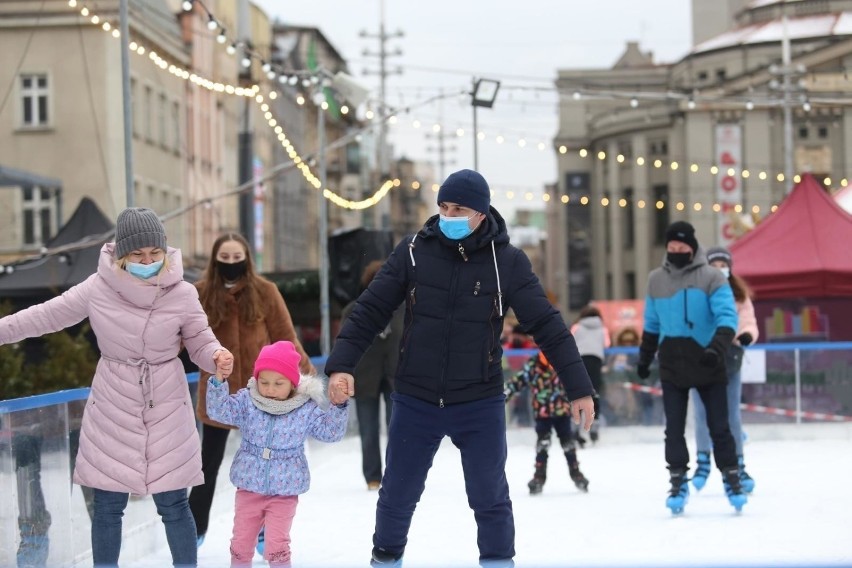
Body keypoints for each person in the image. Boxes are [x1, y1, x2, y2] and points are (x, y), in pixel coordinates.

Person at [325, 168, 595, 566]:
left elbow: (549, 328)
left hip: (478, 398)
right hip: (416, 395)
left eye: (459, 209)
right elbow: (369, 310)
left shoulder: (508, 262)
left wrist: (579, 387)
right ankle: (385, 560)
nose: (448, 215)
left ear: (481, 214)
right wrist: (342, 365)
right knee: (397, 493)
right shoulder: (414, 250)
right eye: (444, 207)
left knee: (490, 497)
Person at [0, 207, 234, 566]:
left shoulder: (183, 293)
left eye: (155, 253)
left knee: (173, 502)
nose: (148, 260)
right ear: (122, 254)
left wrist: (216, 355)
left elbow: (199, 339)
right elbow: (46, 315)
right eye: (138, 254)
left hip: (167, 402)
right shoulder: (98, 287)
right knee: (109, 504)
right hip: (113, 400)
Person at [189, 233, 315, 549]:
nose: (231, 264)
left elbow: (287, 337)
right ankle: (193, 530)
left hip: (264, 395)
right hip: (220, 395)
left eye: (237, 257)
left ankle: (262, 528)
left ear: (247, 258)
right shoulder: (199, 294)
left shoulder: (265, 292)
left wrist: (309, 382)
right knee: (208, 462)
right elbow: (182, 337)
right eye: (225, 258)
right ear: (215, 261)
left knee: (263, 463)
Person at [636, 220, 747, 515]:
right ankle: (677, 480)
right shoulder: (656, 279)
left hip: (707, 361)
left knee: (719, 427)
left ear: (693, 247)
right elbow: (651, 323)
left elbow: (727, 318)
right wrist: (645, 357)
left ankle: (732, 477)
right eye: (671, 247)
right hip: (672, 364)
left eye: (682, 247)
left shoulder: (712, 277)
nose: (676, 251)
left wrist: (716, 349)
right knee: (673, 429)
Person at [205, 340, 349, 566]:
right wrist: (218, 381)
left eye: (278, 383)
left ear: (292, 383)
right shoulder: (247, 401)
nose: (270, 389)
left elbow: (330, 432)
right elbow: (218, 411)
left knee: (277, 547)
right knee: (241, 545)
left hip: (285, 491)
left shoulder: (304, 409)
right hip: (249, 486)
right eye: (264, 382)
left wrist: (338, 406)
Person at [690, 246, 759, 493]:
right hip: (701, 359)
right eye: (715, 265)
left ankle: (738, 464)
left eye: (723, 265)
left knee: (732, 416)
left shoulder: (738, 294)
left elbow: (748, 321)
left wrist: (746, 336)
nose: (720, 269)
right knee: (700, 413)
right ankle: (702, 460)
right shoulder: (698, 292)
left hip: (729, 359)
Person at [339, 259, 402, 491]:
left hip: (396, 376)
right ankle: (373, 476)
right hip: (365, 378)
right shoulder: (354, 310)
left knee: (396, 428)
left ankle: (396, 474)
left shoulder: (405, 308)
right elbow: (345, 343)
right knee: (368, 430)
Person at [505, 350, 590, 495]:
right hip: (542, 413)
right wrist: (504, 394)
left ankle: (576, 473)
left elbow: (577, 380)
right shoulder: (533, 365)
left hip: (562, 411)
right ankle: (539, 476)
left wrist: (585, 393)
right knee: (542, 445)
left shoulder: (563, 363)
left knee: (568, 444)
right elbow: (518, 381)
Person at [570, 305, 610, 442]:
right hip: (596, 362)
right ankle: (594, 425)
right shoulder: (602, 329)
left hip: (579, 362)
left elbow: (570, 342)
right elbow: (607, 344)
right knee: (594, 394)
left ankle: (575, 426)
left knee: (579, 393)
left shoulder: (577, 327)